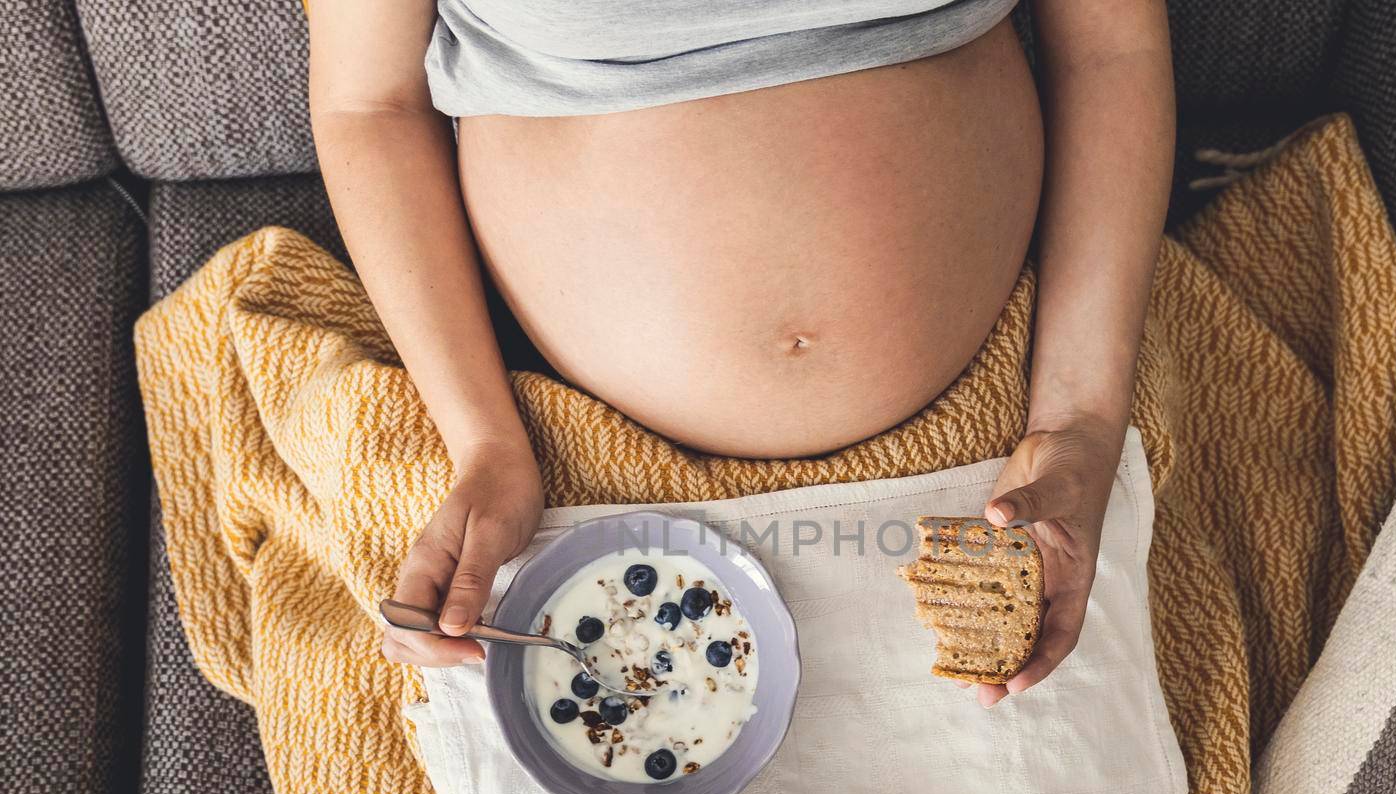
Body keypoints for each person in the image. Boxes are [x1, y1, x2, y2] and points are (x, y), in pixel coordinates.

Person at [308, 0, 1173, 707]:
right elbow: (368, 104)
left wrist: (1082, 416)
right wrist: (484, 443)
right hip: (562, 456)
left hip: (1012, 428)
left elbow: (1111, 51)